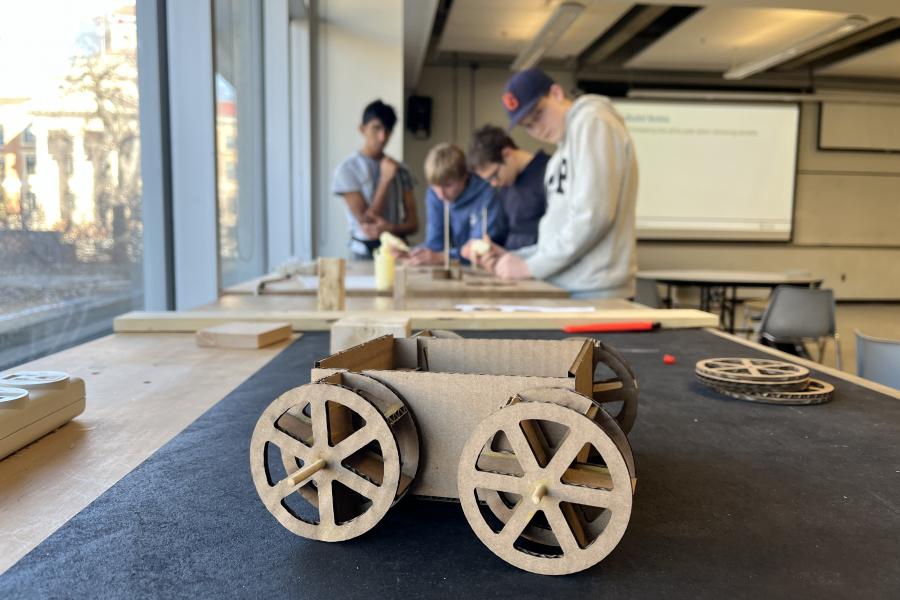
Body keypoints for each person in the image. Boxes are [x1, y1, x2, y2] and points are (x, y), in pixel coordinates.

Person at [467, 68, 638, 298]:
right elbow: (555, 236)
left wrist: (529, 267)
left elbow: (593, 217)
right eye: (528, 125)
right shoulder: (557, 159)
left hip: (596, 290)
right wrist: (515, 257)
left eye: (538, 114)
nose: (537, 129)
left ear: (557, 93)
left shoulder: (592, 120)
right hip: (569, 286)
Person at [332, 99, 418, 259]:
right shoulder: (347, 170)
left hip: (396, 252)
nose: (382, 137)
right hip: (363, 254)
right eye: (376, 128)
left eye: (388, 130)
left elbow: (413, 224)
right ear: (362, 128)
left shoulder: (402, 170)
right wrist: (385, 180)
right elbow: (367, 222)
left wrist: (391, 228)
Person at [402, 143, 506, 266]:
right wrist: (409, 253)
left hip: (490, 266)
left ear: (464, 176)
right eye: (435, 186)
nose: (441, 195)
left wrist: (443, 257)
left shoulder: (487, 194)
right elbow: (435, 244)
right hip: (458, 265)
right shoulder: (434, 194)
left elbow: (479, 249)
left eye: (448, 185)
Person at [467, 124, 549, 250]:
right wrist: (489, 248)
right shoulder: (506, 186)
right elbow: (502, 233)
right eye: (488, 180)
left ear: (507, 154)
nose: (494, 183)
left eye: (494, 175)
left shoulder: (549, 171)